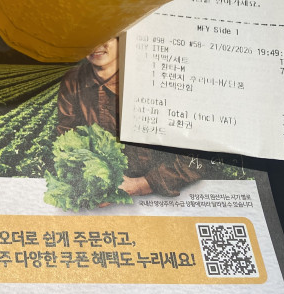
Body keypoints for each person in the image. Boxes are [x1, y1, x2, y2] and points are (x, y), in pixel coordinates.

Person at [56, 38, 201, 197]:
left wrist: (143, 184)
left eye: (107, 35)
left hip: (162, 195)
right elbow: (67, 139)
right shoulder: (72, 81)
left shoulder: (157, 78)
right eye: (91, 35)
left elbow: (197, 158)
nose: (97, 44)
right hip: (107, 196)